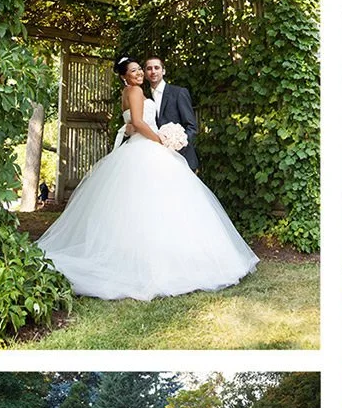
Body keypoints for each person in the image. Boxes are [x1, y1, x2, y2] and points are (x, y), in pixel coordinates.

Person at [37, 54, 257, 301]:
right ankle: (153, 261)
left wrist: (154, 133)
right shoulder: (134, 91)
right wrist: (161, 140)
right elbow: (140, 123)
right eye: (134, 71)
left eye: (140, 69)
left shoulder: (141, 93)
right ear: (125, 77)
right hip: (147, 150)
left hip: (143, 147)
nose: (140, 73)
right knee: (152, 206)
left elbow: (133, 123)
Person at [142, 55, 200, 172]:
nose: (153, 71)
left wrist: (177, 144)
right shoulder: (144, 98)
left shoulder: (179, 93)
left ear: (163, 71)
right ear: (145, 73)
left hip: (182, 159)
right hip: (156, 160)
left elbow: (191, 127)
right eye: (149, 68)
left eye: (157, 68)